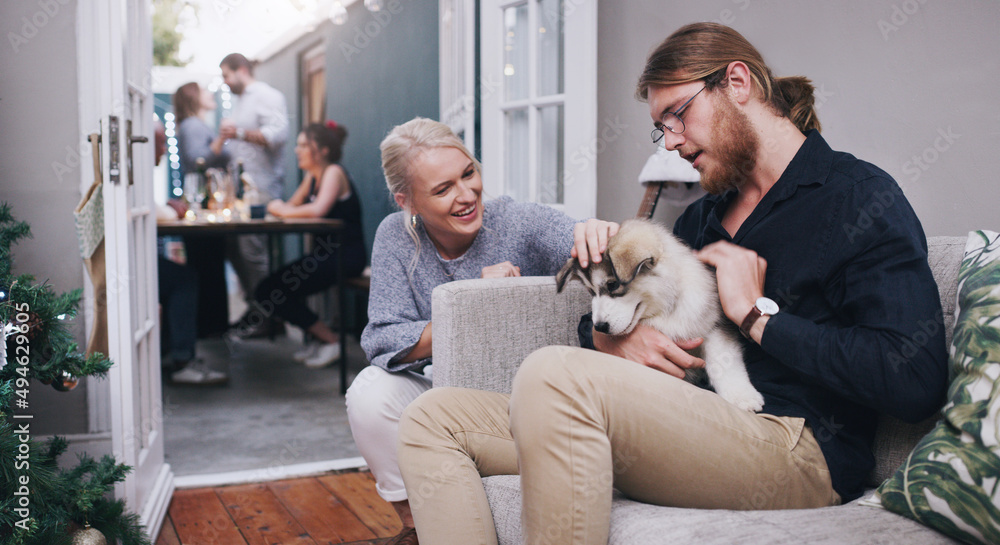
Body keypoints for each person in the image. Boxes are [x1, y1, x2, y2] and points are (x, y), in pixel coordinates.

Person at [395, 23, 949, 545]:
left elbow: (913, 379)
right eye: (661, 127)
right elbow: (623, 302)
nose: (669, 142)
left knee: (553, 374)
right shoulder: (702, 219)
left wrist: (759, 317)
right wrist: (611, 337)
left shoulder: (856, 197)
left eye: (676, 115)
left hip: (798, 446)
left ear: (737, 83)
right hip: (685, 420)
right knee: (432, 419)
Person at [345, 117, 617, 545]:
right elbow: (382, 337)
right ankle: (415, 527)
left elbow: (583, 243)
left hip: (521, 392)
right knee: (369, 393)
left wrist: (597, 233)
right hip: (444, 386)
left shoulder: (516, 221)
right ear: (407, 201)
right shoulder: (394, 237)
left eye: (468, 173)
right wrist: (470, 302)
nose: (467, 194)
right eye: (442, 189)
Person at [249, 122, 366, 368]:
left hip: (345, 256)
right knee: (270, 289)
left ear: (322, 150)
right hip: (324, 257)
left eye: (303, 145)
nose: (297, 150)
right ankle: (322, 339)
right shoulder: (313, 177)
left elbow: (316, 209)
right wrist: (280, 208)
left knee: (272, 290)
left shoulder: (333, 172)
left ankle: (331, 340)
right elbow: (290, 208)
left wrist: (278, 208)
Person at [218, 52, 290, 338]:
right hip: (244, 191)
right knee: (240, 252)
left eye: (226, 75)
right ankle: (258, 312)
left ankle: (267, 318)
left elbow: (277, 135)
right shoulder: (242, 101)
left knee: (254, 254)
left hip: (262, 190)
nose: (224, 82)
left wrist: (239, 133)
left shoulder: (267, 96)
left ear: (241, 69)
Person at [171, 81, 231, 339]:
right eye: (205, 91)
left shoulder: (192, 125)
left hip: (205, 202)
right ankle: (211, 328)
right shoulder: (193, 126)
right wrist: (221, 140)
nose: (210, 93)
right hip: (204, 203)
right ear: (195, 98)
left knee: (207, 264)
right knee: (208, 265)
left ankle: (209, 326)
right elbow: (199, 161)